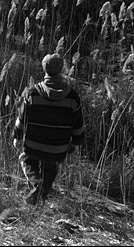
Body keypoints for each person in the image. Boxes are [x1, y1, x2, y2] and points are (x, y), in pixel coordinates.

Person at [12, 53, 85, 204]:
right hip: (58, 148)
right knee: (51, 165)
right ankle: (40, 197)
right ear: (62, 70)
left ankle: (36, 188)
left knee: (26, 159)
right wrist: (75, 143)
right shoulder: (72, 97)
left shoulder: (33, 93)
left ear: (44, 69)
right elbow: (78, 125)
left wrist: (17, 136)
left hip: (33, 145)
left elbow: (22, 119)